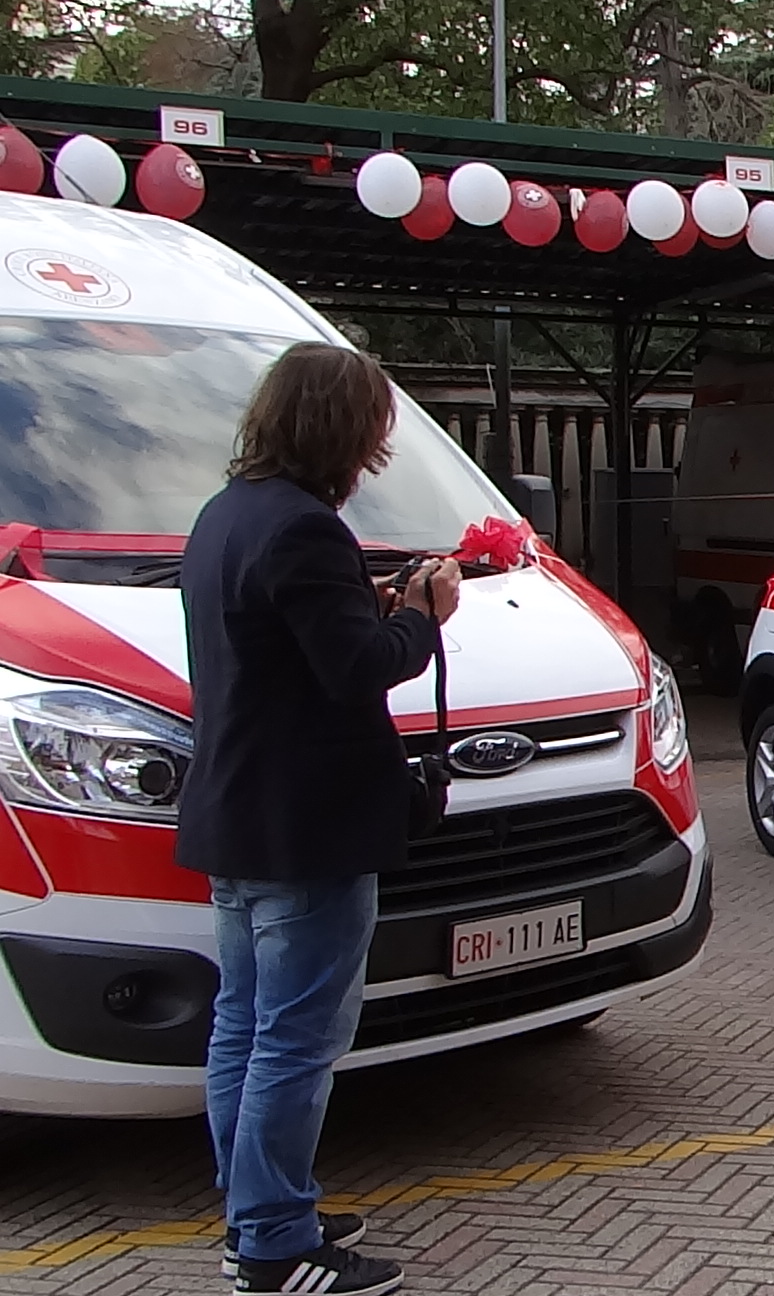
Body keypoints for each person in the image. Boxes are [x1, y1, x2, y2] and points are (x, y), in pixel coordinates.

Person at [177, 343, 461, 1296]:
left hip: (237, 818)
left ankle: (263, 1206)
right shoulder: (305, 530)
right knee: (295, 1041)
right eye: (375, 429)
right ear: (343, 431)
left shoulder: (225, 516)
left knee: (244, 1028)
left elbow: (289, 646)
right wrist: (424, 616)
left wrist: (368, 606)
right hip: (306, 830)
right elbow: (358, 669)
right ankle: (270, 1247)